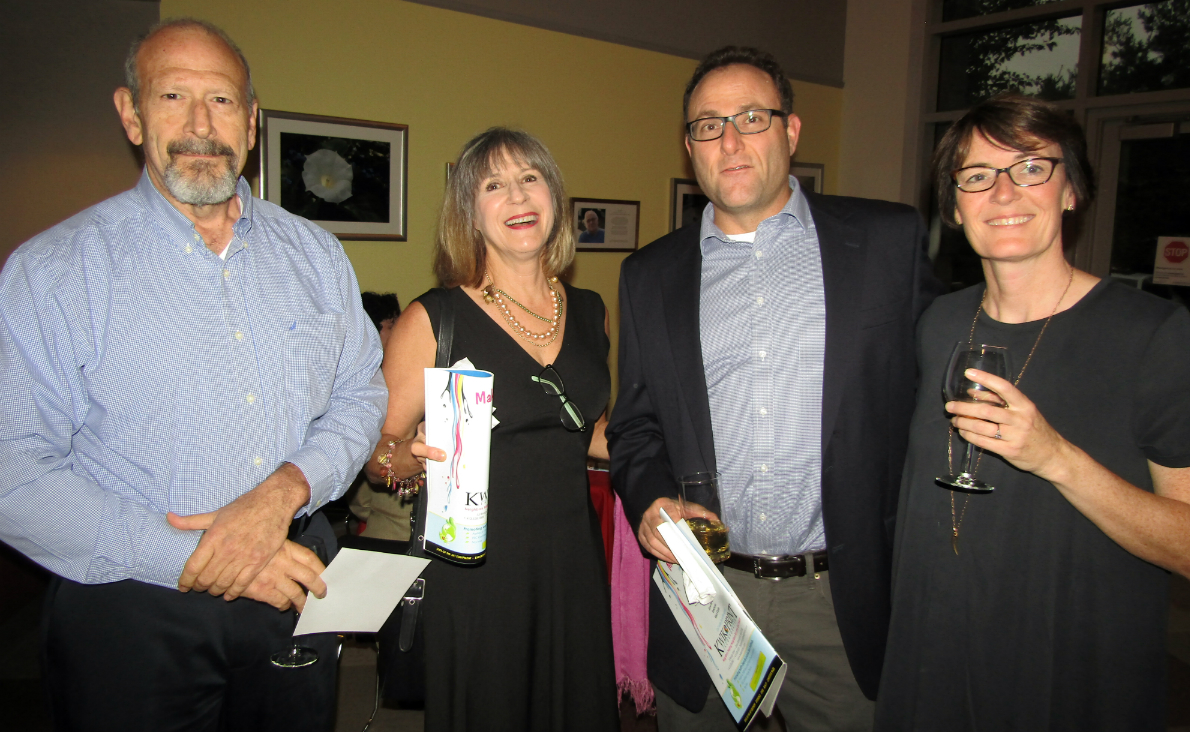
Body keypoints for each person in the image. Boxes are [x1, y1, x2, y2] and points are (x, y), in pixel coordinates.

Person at [0, 18, 386, 730]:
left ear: (252, 119)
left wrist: (288, 488)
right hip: (129, 601)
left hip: (296, 584)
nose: (201, 125)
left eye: (223, 101)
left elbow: (361, 392)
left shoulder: (317, 254)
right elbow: (14, 476)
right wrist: (199, 557)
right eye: (174, 96)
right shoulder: (52, 273)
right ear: (131, 113)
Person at [606, 46, 941, 731]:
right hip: (706, 593)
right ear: (689, 146)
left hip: (841, 602)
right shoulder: (649, 275)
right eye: (708, 124)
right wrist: (648, 499)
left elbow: (936, 393)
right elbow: (635, 425)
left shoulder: (885, 242)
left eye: (751, 118)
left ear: (791, 132)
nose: (729, 141)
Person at [875, 92, 1190, 731]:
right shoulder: (937, 322)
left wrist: (1056, 458)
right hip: (932, 665)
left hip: (1069, 679)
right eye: (977, 176)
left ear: (1072, 189)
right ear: (954, 205)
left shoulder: (1156, 335)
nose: (1002, 194)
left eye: (1030, 168)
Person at [373, 127, 618, 732]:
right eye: (494, 185)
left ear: (554, 199)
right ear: (469, 213)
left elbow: (581, 430)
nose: (517, 196)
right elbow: (376, 450)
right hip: (478, 572)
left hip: (571, 563)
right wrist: (406, 458)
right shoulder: (433, 319)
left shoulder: (588, 311)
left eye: (530, 179)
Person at [350, 292, 414, 540]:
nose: (402, 332)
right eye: (393, 325)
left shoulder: (407, 382)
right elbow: (360, 499)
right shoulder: (365, 388)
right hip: (389, 530)